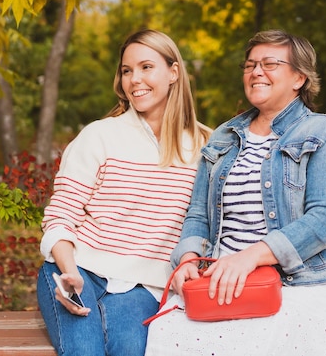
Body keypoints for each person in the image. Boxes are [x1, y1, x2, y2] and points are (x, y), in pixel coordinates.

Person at [145, 29, 326, 355]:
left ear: (299, 78)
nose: (255, 72)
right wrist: (188, 259)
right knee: (166, 333)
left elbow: (324, 220)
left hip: (301, 285)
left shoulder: (323, 131)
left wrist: (250, 258)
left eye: (269, 63)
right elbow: (197, 213)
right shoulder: (224, 135)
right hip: (222, 285)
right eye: (250, 65)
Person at [37, 29, 211, 356]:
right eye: (127, 70)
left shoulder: (205, 146)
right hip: (79, 269)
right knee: (83, 352)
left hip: (146, 285)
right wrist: (69, 271)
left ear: (173, 73)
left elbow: (209, 224)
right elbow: (59, 217)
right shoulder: (99, 136)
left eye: (146, 67)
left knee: (131, 350)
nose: (134, 80)